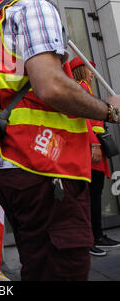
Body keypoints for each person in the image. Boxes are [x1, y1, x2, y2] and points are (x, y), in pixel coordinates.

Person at [0, 0, 120, 281]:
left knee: (39, 265)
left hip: (16, 165)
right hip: (45, 166)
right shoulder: (34, 7)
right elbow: (51, 86)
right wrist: (110, 112)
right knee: (63, 270)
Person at [70, 56, 120, 256]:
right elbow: (84, 120)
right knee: (90, 196)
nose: (92, 73)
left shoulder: (86, 89)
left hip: (94, 150)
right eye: (89, 69)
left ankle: (97, 235)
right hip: (90, 151)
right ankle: (91, 237)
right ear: (81, 70)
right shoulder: (80, 88)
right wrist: (93, 143)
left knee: (95, 195)